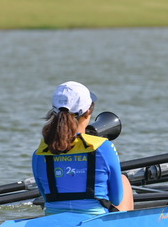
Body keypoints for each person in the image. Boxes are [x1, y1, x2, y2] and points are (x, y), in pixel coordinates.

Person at [32, 81, 134, 215]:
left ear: (54, 113)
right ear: (88, 112)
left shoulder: (40, 152)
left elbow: (46, 197)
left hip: (54, 216)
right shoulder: (103, 147)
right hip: (94, 218)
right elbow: (116, 198)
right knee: (123, 179)